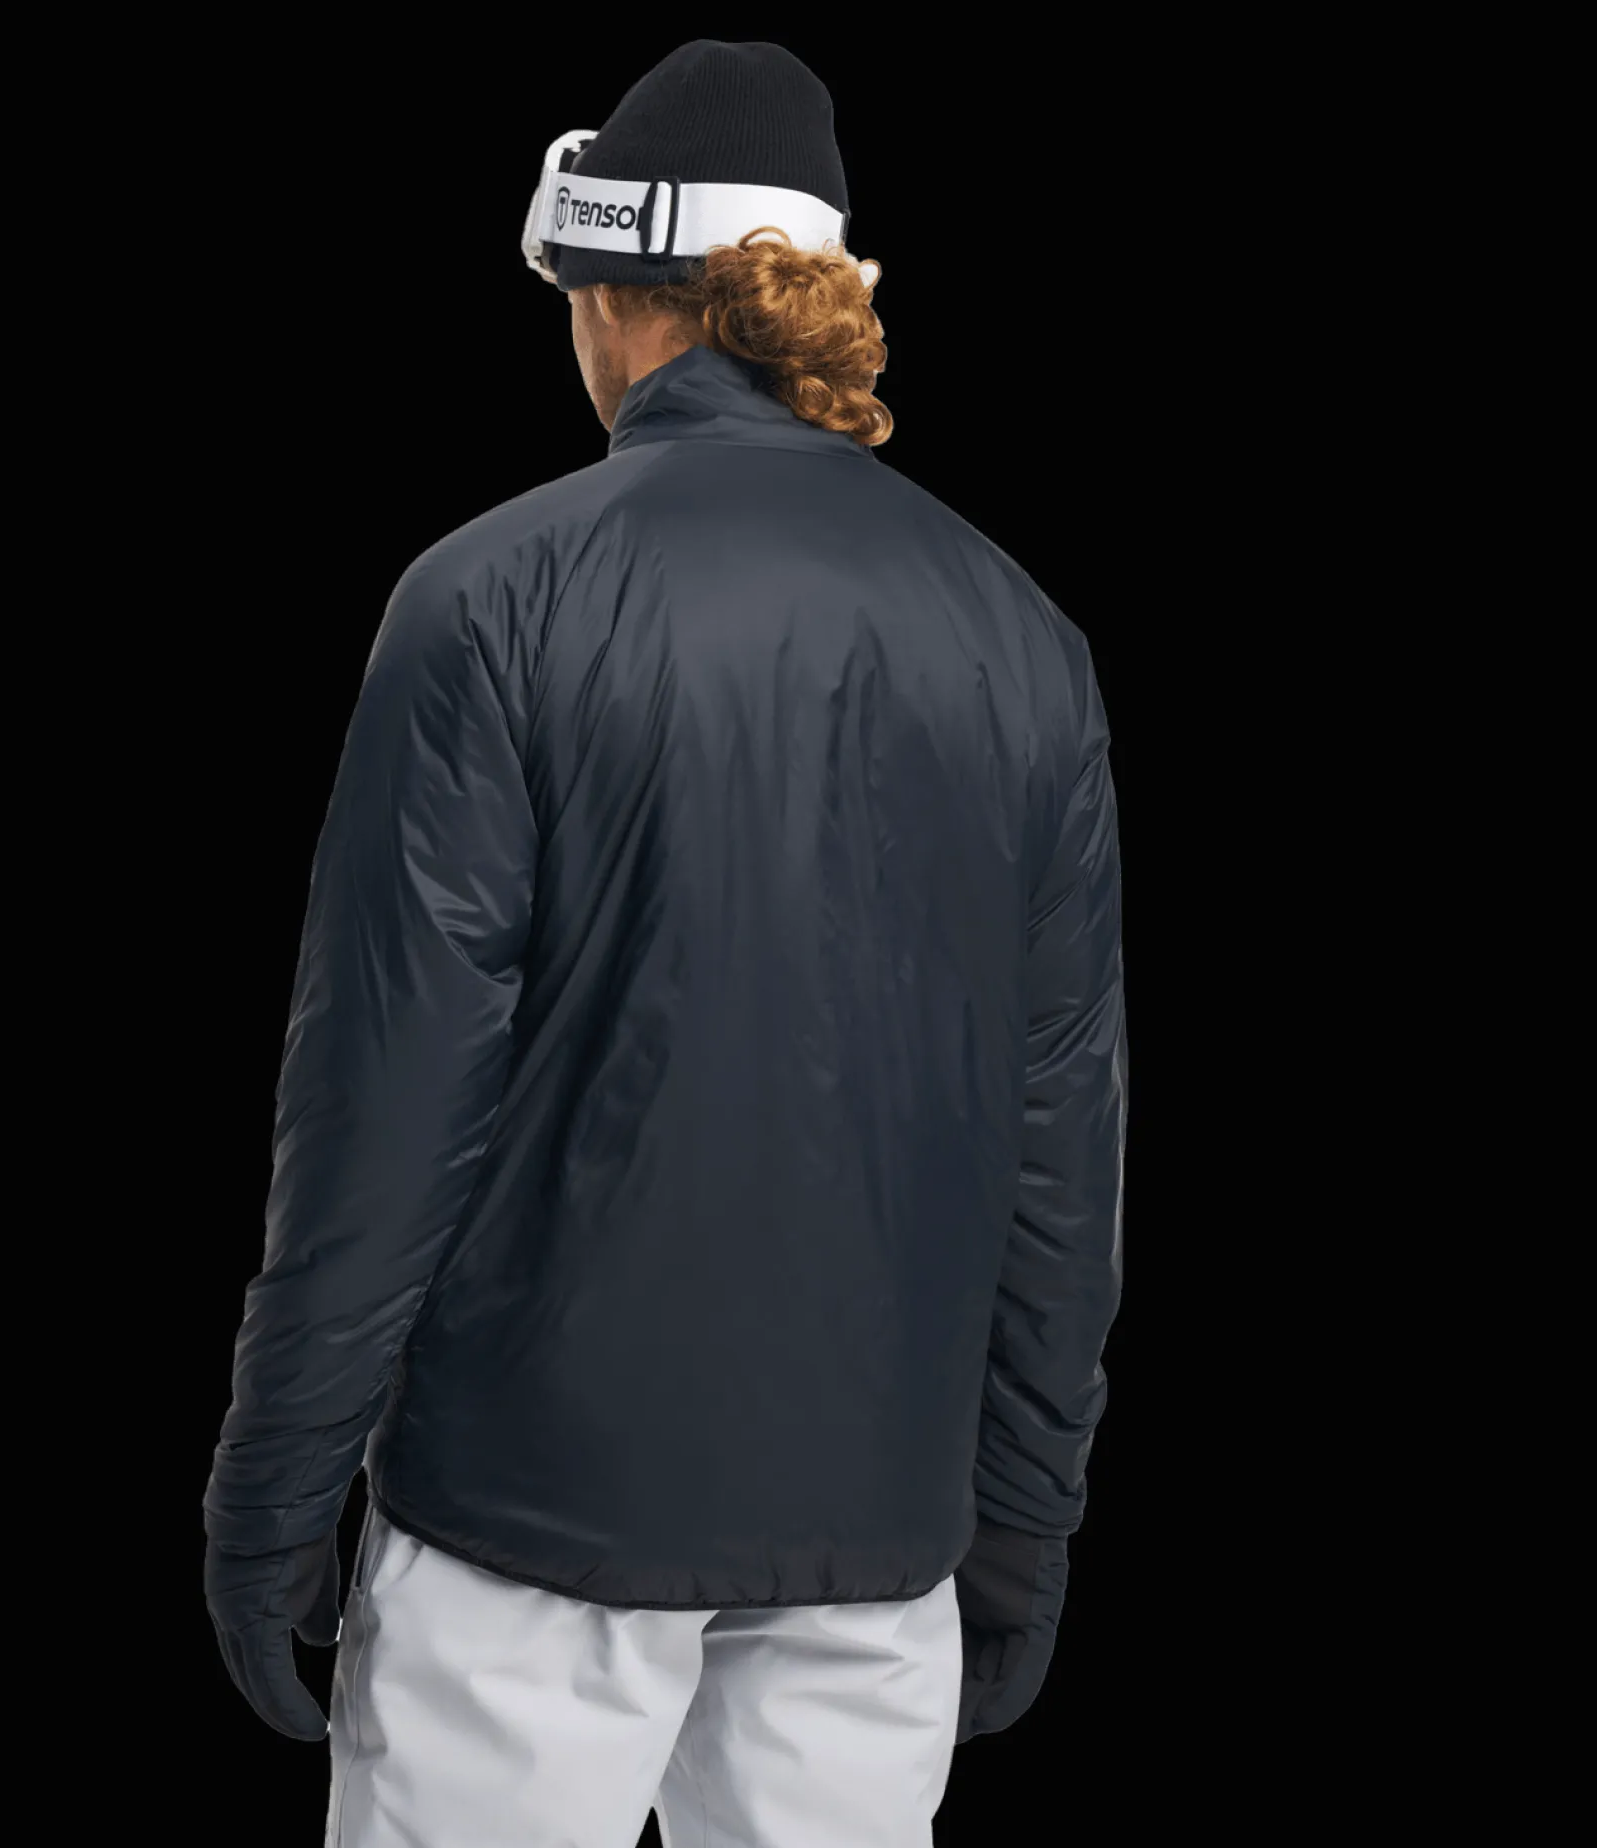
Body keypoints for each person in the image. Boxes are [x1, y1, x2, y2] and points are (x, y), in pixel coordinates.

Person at [204, 38, 1128, 1848]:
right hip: (877, 1539)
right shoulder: (1021, 633)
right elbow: (1058, 1144)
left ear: (625, 303)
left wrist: (273, 1491)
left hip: (526, 1536)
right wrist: (1027, 1514)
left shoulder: (493, 596)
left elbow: (386, 1114)